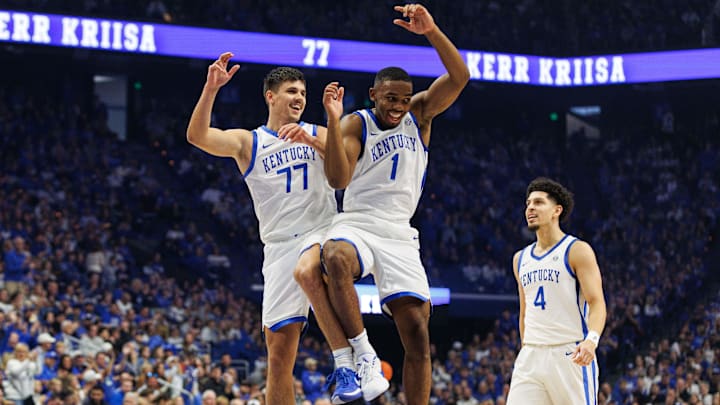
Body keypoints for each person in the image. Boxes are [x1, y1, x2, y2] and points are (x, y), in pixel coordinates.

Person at [186, 53, 360, 404]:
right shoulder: (249, 142)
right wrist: (210, 89)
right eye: (292, 91)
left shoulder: (318, 132)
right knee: (279, 357)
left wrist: (314, 139)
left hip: (321, 232)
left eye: (303, 93)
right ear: (271, 96)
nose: (299, 98)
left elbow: (349, 157)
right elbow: (197, 136)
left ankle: (350, 361)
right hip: (279, 247)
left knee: (308, 270)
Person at [319, 4, 470, 404]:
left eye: (403, 98)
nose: (397, 105)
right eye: (389, 98)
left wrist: (432, 31)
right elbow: (337, 179)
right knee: (334, 256)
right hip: (359, 221)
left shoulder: (420, 114)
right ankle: (361, 354)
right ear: (373, 95)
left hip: (400, 230)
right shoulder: (356, 123)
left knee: (418, 334)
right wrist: (332, 123)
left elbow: (460, 76)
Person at [506, 177, 607, 405]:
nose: (530, 208)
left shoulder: (577, 250)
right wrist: (526, 348)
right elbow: (524, 312)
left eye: (539, 202)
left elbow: (597, 303)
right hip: (531, 355)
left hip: (569, 353)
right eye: (528, 203)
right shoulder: (519, 259)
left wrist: (591, 340)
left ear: (556, 210)